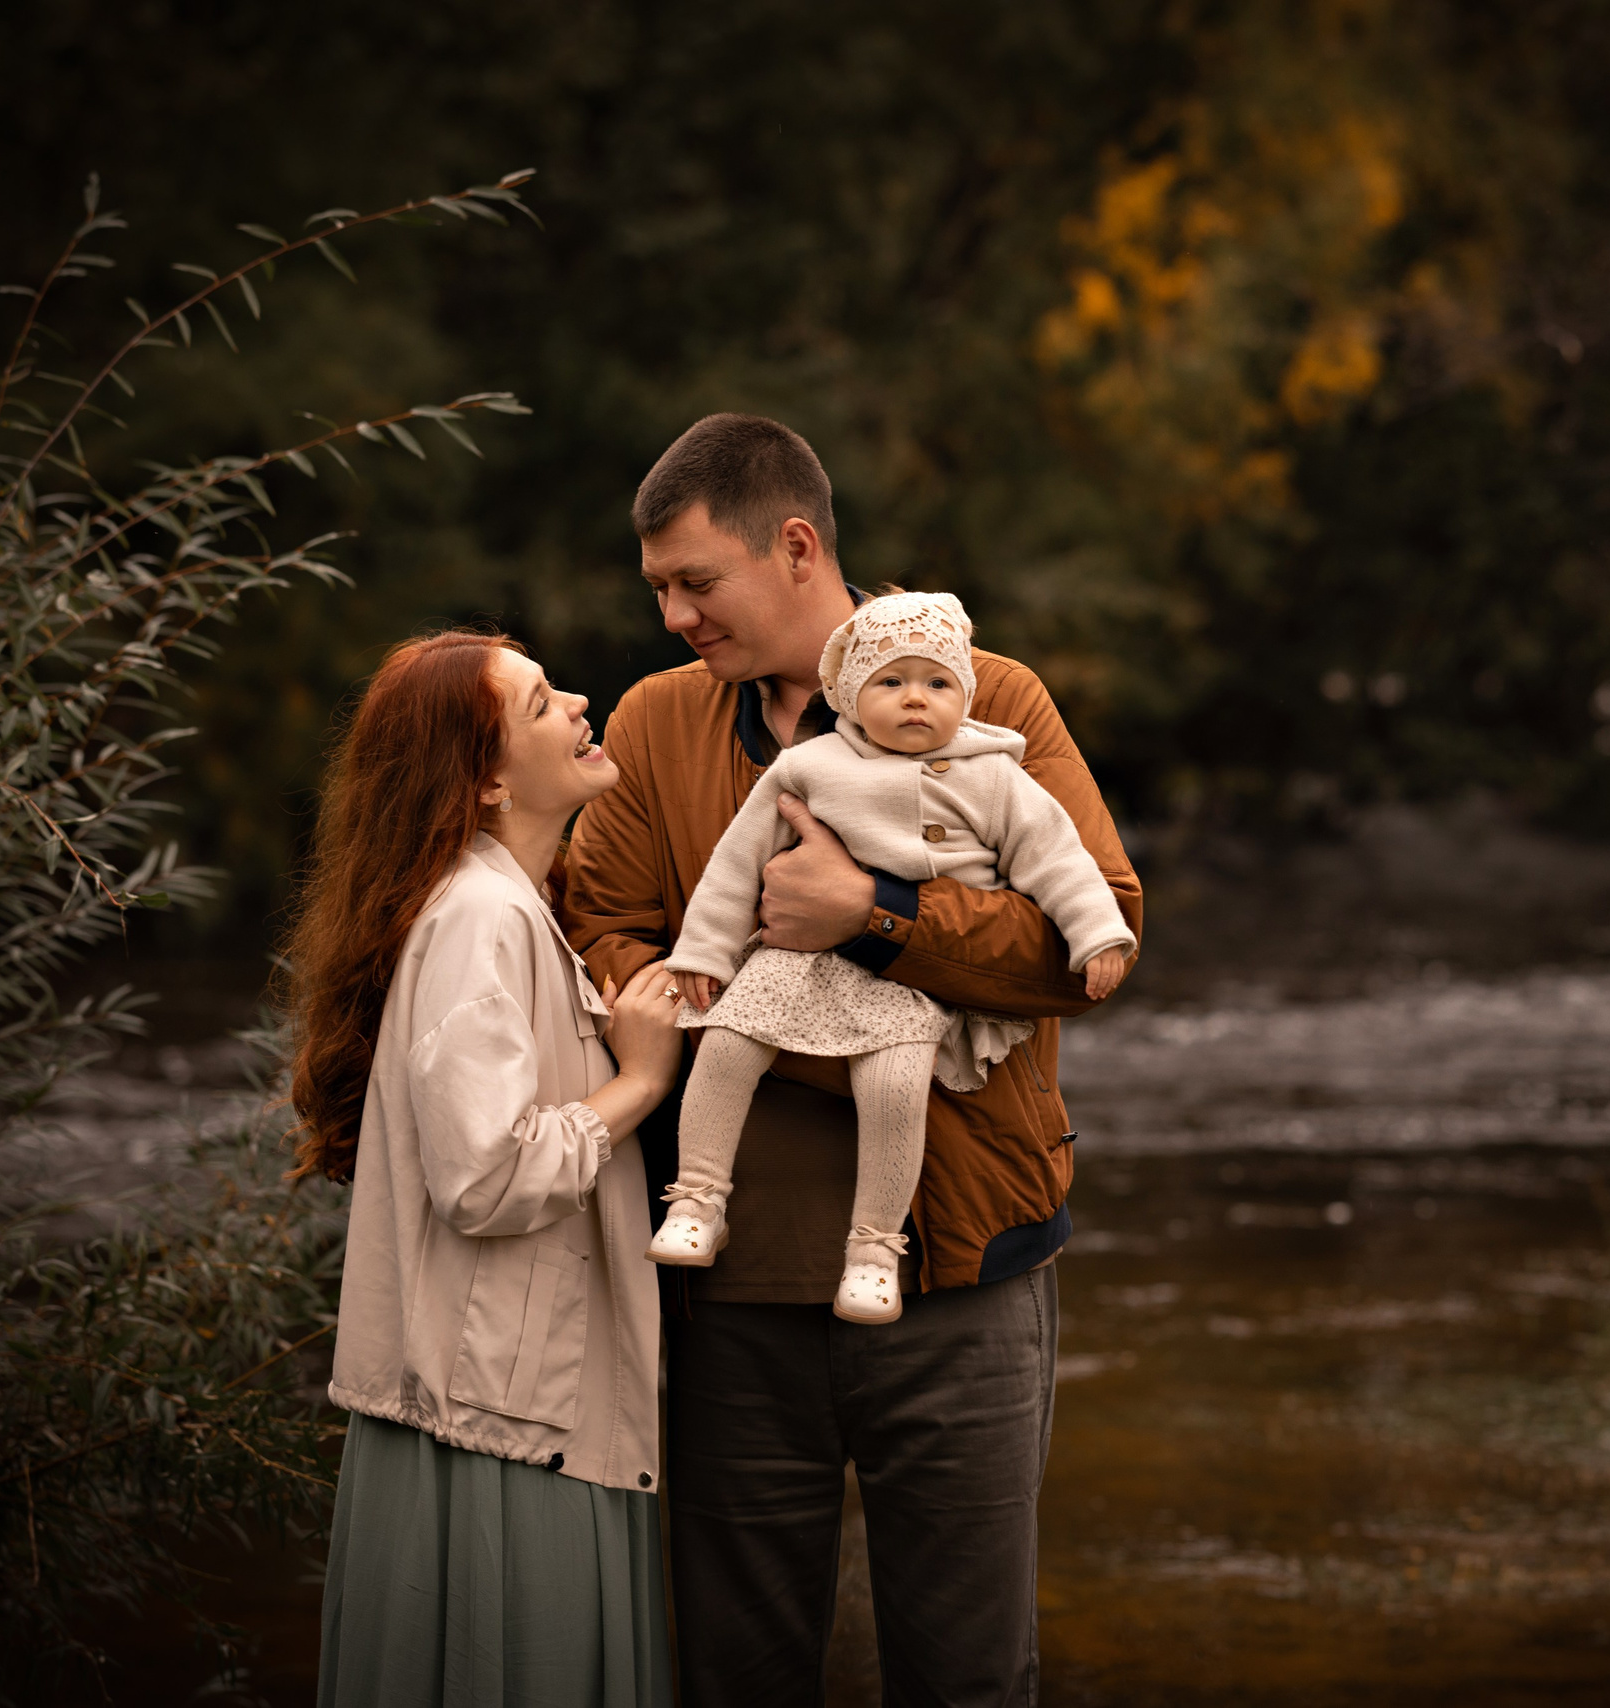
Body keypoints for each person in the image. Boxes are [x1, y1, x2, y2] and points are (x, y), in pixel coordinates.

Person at [564, 413, 1141, 1708]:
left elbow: (1094, 936)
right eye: (657, 587)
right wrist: (726, 1010)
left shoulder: (990, 697)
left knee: (967, 1677)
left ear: (796, 545)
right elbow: (602, 923)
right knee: (738, 1676)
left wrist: (878, 915)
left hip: (960, 1277)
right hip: (732, 1303)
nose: (671, 616)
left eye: (694, 582)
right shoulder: (657, 727)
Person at [284, 630, 684, 1708]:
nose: (581, 705)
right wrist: (638, 1081)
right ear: (489, 777)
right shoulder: (480, 918)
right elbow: (488, 1174)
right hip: (503, 1432)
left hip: (509, 1409)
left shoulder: (506, 902)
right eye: (547, 701)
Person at [650, 589, 1135, 1323]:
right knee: (724, 1042)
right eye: (891, 683)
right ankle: (697, 1198)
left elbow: (1059, 860)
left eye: (937, 684)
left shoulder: (995, 774)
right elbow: (737, 862)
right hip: (794, 961)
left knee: (897, 1087)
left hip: (906, 972)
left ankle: (874, 1250)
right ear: (848, 693)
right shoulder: (810, 765)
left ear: (964, 698)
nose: (917, 701)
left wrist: (1097, 934)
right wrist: (707, 953)